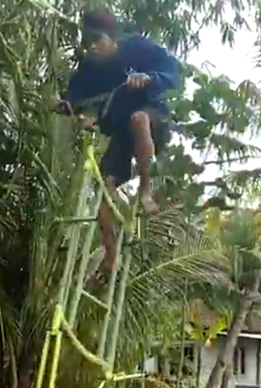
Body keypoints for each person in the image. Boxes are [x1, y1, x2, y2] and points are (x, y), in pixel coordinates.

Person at [53, 8, 181, 277]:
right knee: (103, 188)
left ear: (112, 38)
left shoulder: (137, 48)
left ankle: (145, 191)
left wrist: (150, 78)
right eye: (88, 43)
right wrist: (73, 111)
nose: (93, 48)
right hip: (121, 134)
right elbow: (74, 98)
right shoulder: (89, 68)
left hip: (152, 121)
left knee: (138, 119)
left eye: (97, 41)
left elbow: (172, 71)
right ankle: (111, 256)